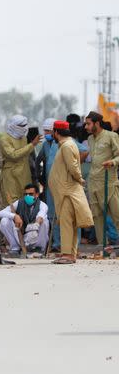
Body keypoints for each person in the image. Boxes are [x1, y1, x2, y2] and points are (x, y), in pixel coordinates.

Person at [49, 120, 94, 264]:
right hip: (65, 190)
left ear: (56, 132)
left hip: (67, 191)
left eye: (53, 132)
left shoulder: (67, 146)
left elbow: (73, 166)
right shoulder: (67, 144)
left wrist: (80, 179)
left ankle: (68, 255)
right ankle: (70, 253)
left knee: (67, 222)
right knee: (70, 222)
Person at [84, 111, 119, 246]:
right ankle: (102, 245)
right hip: (93, 183)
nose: (85, 127)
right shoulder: (90, 139)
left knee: (117, 215)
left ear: (97, 123)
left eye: (88, 124)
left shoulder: (111, 136)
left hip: (109, 182)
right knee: (96, 216)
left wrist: (112, 162)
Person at [0, 183, 50, 255]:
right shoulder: (19, 203)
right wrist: (15, 216)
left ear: (37, 194)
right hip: (21, 236)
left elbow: (40, 216)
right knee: (4, 221)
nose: (28, 196)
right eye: (26, 194)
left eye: (31, 194)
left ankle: (39, 248)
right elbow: (0, 213)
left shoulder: (42, 205)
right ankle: (15, 248)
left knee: (45, 222)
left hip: (35, 236)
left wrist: (36, 225)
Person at [0, 115, 41, 205]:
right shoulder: (5, 139)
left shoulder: (24, 139)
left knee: (26, 202)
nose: (25, 128)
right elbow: (13, 155)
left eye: (26, 125)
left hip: (24, 175)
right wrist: (32, 144)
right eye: (22, 126)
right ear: (14, 126)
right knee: (12, 204)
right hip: (11, 177)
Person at [35, 118, 61, 250]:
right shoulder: (45, 145)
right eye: (44, 131)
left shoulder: (64, 142)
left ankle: (71, 243)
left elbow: (83, 150)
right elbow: (38, 160)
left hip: (62, 184)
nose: (45, 133)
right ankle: (56, 243)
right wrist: (39, 177)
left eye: (48, 131)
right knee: (51, 214)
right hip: (49, 186)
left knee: (65, 213)